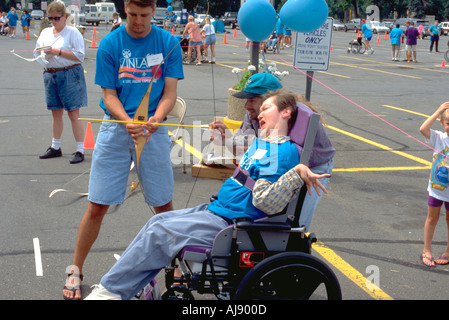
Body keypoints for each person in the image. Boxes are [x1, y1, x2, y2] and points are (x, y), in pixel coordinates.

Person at [84, 89, 332, 300]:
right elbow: (246, 169)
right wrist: (224, 139)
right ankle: (122, 287)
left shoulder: (283, 151)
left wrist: (296, 172)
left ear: (286, 112)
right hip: (220, 211)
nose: (259, 113)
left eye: (266, 108)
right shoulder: (263, 143)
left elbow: (266, 202)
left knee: (160, 233)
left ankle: (110, 292)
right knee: (157, 221)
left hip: (233, 225)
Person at [62, 0, 184, 300]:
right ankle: (75, 269)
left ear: (154, 9)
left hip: (152, 131)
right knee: (97, 205)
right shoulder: (110, 43)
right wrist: (127, 121)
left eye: (144, 15)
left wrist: (157, 118)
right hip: (116, 129)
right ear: (125, 9)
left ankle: (177, 269)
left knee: (163, 206)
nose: (139, 21)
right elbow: (108, 93)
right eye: (132, 15)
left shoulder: (168, 43)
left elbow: (170, 94)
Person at [210, 73, 335, 231]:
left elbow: (271, 151)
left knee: (298, 222)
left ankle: (295, 250)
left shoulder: (297, 120)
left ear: (269, 97)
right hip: (280, 161)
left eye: (252, 100)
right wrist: (227, 137)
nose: (246, 106)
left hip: (314, 164)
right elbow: (243, 146)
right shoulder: (254, 114)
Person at [34, 1, 87, 164]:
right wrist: (43, 56)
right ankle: (55, 146)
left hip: (70, 73)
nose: (53, 21)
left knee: (73, 112)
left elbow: (80, 56)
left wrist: (57, 52)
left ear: (65, 16)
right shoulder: (46, 32)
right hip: (51, 74)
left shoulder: (73, 33)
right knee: (55, 112)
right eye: (50, 18)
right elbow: (37, 51)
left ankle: (80, 149)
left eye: (57, 18)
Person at [419, 101, 449, 267]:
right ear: (442, 123)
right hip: (437, 189)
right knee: (432, 218)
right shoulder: (439, 138)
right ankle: (427, 250)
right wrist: (438, 111)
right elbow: (423, 129)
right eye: (448, 123)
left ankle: (448, 251)